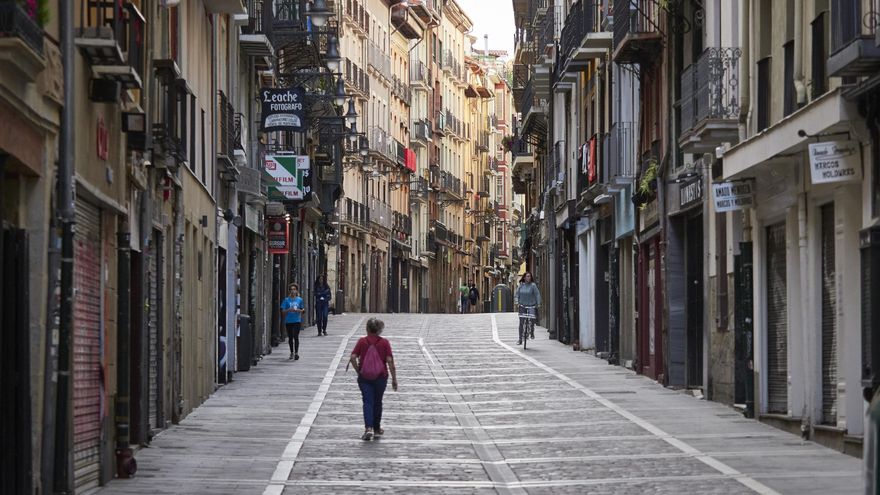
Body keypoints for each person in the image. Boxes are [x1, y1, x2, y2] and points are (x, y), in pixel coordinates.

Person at [348, 318, 398, 441]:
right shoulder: (384, 343)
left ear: (367, 329)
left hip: (364, 377)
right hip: (381, 377)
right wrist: (394, 379)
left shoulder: (362, 341)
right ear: (380, 330)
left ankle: (368, 428)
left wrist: (358, 371)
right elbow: (390, 361)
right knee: (377, 402)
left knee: (367, 402)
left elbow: (353, 357)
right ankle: (376, 429)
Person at [515, 272, 541, 345]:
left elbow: (537, 294)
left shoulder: (533, 286)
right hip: (522, 305)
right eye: (527, 276)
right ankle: (520, 339)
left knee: (532, 319)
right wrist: (517, 302)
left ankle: (532, 331)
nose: (528, 278)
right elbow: (517, 294)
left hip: (531, 305)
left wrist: (538, 303)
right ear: (524, 278)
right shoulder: (521, 286)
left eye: (529, 276)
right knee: (521, 322)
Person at [281, 284, 305, 360]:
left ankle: (296, 353)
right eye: (291, 289)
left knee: (296, 336)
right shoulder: (286, 300)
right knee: (290, 337)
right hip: (289, 321)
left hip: (297, 320)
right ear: (289, 291)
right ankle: (291, 352)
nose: (293, 291)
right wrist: (289, 310)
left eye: (294, 289)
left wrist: (299, 310)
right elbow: (282, 312)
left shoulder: (300, 300)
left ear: (296, 290)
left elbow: (303, 310)